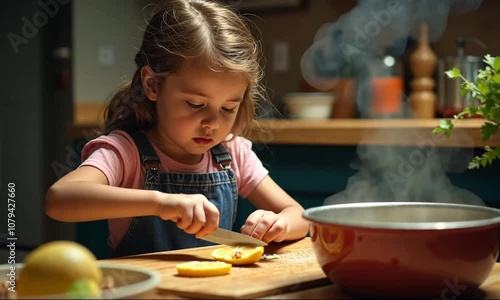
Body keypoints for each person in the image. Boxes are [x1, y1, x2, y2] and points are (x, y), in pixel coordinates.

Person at [44, 0, 309, 257]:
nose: (213, 123)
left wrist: (279, 224)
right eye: (195, 104)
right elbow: (60, 199)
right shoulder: (126, 153)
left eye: (228, 108)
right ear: (152, 85)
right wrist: (160, 203)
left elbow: (299, 216)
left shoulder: (233, 153)